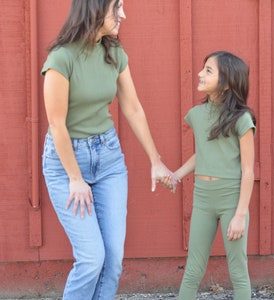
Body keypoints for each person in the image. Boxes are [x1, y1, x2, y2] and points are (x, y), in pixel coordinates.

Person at [41, 1, 178, 299]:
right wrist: (75, 178)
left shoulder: (113, 52)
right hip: (67, 163)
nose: (123, 15)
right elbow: (57, 124)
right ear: (94, 9)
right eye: (117, 8)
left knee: (113, 261)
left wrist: (155, 160)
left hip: (108, 159)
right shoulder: (61, 59)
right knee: (91, 259)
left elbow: (133, 108)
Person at [161, 51, 256, 299]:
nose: (200, 74)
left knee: (238, 272)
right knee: (193, 269)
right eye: (202, 69)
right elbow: (202, 153)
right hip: (203, 199)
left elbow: (248, 170)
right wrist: (176, 175)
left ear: (226, 82)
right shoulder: (197, 114)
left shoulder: (242, 119)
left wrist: (240, 215)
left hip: (232, 200)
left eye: (208, 71)